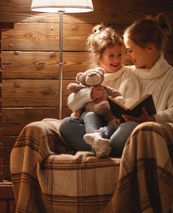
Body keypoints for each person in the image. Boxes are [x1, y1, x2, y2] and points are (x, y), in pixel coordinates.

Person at [59, 24, 140, 157]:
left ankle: (97, 147)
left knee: (130, 127)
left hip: (115, 125)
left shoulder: (129, 75)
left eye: (120, 54)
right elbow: (72, 103)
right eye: (111, 55)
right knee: (66, 124)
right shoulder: (90, 77)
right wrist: (89, 94)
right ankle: (101, 147)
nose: (117, 59)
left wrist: (118, 118)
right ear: (98, 57)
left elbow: (130, 104)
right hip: (90, 124)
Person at [122, 13, 173, 126]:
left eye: (130, 50)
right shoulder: (127, 72)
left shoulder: (172, 76)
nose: (128, 57)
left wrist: (152, 119)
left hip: (146, 133)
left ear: (149, 48)